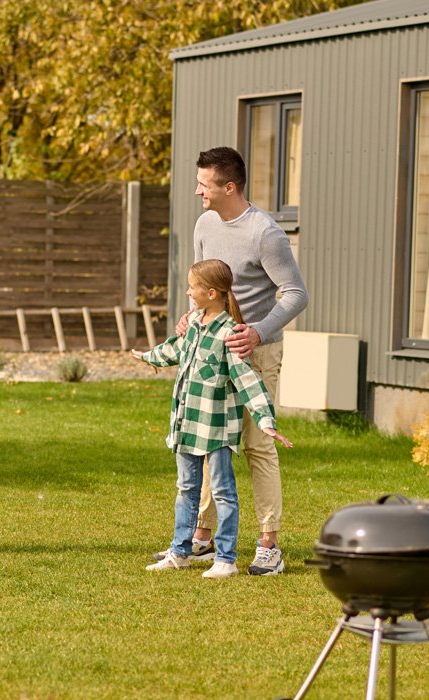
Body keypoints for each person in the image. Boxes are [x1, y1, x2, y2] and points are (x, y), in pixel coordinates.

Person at [153, 146, 308, 576]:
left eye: (204, 184)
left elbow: (296, 293)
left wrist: (257, 330)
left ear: (229, 187)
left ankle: (268, 545)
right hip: (212, 350)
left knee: (258, 446)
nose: (198, 191)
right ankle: (200, 538)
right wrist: (191, 317)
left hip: (257, 352)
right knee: (206, 437)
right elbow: (206, 283)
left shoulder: (266, 234)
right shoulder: (205, 223)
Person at [134, 260, 293, 579]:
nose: (188, 292)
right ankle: (179, 552)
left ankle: (226, 559)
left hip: (217, 432)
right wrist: (148, 357)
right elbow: (175, 350)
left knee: (222, 492)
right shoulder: (193, 322)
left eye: (192, 287)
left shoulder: (229, 334)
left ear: (210, 293)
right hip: (187, 428)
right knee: (186, 488)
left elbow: (247, 379)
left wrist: (265, 420)